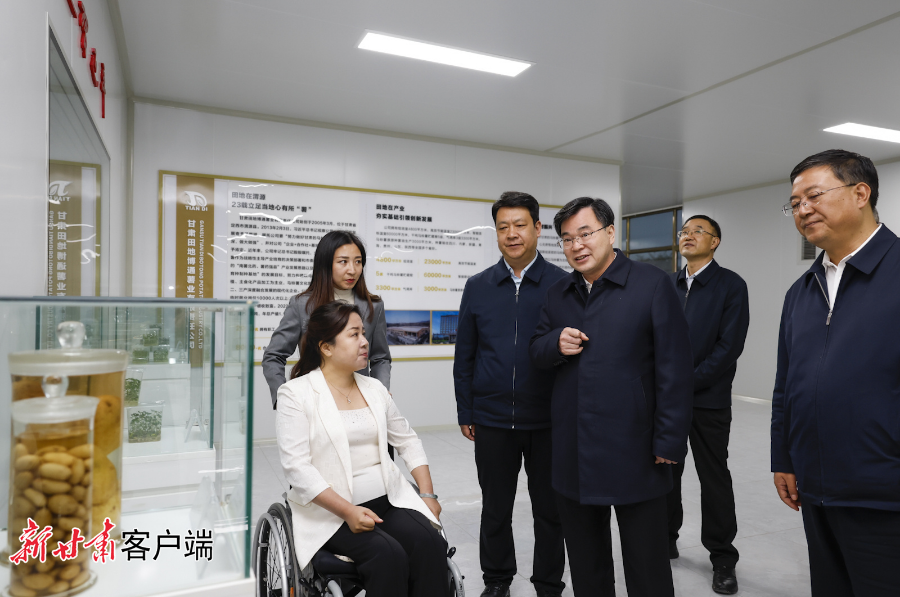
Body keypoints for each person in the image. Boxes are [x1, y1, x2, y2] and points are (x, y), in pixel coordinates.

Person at [530, 196, 693, 597]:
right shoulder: (558, 292)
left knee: (647, 563)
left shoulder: (652, 284)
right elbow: (536, 350)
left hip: (636, 446)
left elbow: (674, 367)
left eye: (585, 234)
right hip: (575, 448)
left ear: (610, 232)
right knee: (587, 564)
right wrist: (555, 342)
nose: (577, 246)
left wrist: (669, 440)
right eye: (567, 239)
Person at [771, 149, 900, 597]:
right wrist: (784, 457)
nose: (803, 209)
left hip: (885, 494)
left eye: (814, 196)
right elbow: (785, 385)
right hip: (816, 489)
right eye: (795, 203)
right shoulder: (801, 291)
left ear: (861, 193)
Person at [276, 301, 446, 597]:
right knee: (388, 555)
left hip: (387, 501)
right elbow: (297, 468)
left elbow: (407, 440)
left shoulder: (374, 388)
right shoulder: (296, 394)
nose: (365, 341)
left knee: (430, 542)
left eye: (364, 333)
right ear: (326, 347)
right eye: (354, 335)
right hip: (331, 512)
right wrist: (348, 511)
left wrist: (428, 495)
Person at [454, 191, 568, 597]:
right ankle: (497, 579)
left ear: (537, 228)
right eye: (503, 227)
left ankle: (548, 583)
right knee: (496, 507)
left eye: (520, 225)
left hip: (549, 419)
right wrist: (466, 409)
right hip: (492, 418)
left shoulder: (563, 284)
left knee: (550, 509)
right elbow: (465, 354)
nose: (511, 234)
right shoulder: (478, 286)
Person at [666, 215, 749, 595]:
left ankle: (722, 558)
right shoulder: (667, 284)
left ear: (715, 241)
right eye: (684, 231)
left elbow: (729, 347)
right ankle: (665, 538)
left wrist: (688, 382)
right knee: (665, 471)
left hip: (708, 400)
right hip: (667, 400)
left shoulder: (730, 285)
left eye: (697, 231)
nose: (688, 236)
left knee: (713, 477)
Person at [264, 230, 390, 408]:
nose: (352, 270)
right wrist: (283, 398)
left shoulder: (373, 306)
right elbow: (274, 355)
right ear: (325, 264)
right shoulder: (301, 305)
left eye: (358, 262)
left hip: (359, 400)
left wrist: (380, 393)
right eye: (343, 262)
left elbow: (381, 358)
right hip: (313, 402)